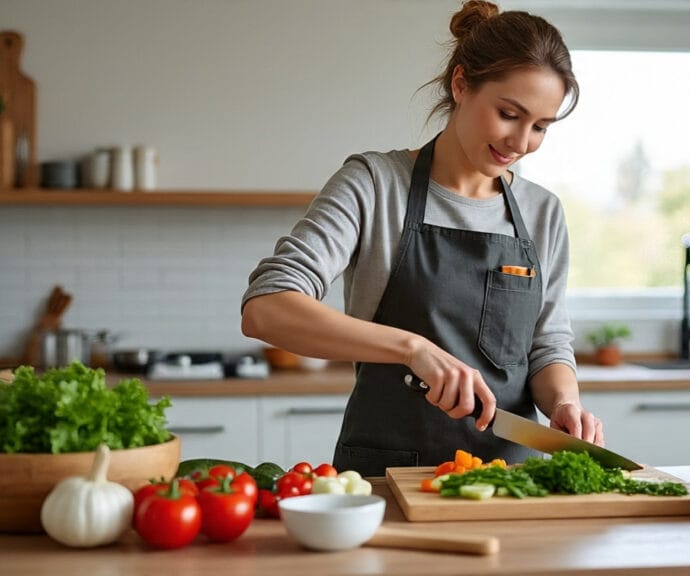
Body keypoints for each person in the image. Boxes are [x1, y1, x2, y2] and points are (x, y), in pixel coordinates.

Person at [241, 0, 603, 477]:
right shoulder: (374, 185)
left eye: (539, 127)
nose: (520, 143)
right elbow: (266, 308)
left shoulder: (542, 212)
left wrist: (564, 402)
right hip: (388, 476)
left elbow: (547, 343)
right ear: (461, 85)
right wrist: (413, 349)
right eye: (508, 114)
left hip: (511, 480)